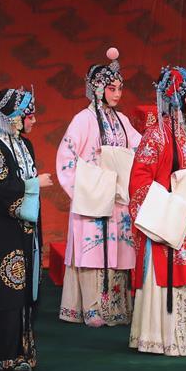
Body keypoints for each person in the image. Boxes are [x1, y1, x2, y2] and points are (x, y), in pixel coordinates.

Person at [128, 67, 186, 356]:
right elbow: (139, 178)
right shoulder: (157, 135)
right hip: (166, 218)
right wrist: (169, 201)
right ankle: (159, 338)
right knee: (167, 270)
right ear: (177, 99)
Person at [0, 87, 54, 371]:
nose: (33, 121)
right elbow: (0, 190)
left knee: (25, 294)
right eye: (29, 116)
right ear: (14, 118)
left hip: (24, 232)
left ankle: (21, 354)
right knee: (5, 293)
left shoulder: (24, 146)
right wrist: (34, 184)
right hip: (0, 236)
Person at [56, 47, 141, 327]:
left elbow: (140, 148)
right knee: (92, 250)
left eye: (120, 88)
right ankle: (91, 308)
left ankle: (117, 307)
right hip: (92, 197)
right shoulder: (83, 119)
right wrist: (87, 189)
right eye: (111, 88)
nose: (117, 94)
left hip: (116, 198)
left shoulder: (122, 121)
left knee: (119, 252)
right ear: (97, 88)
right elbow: (67, 158)